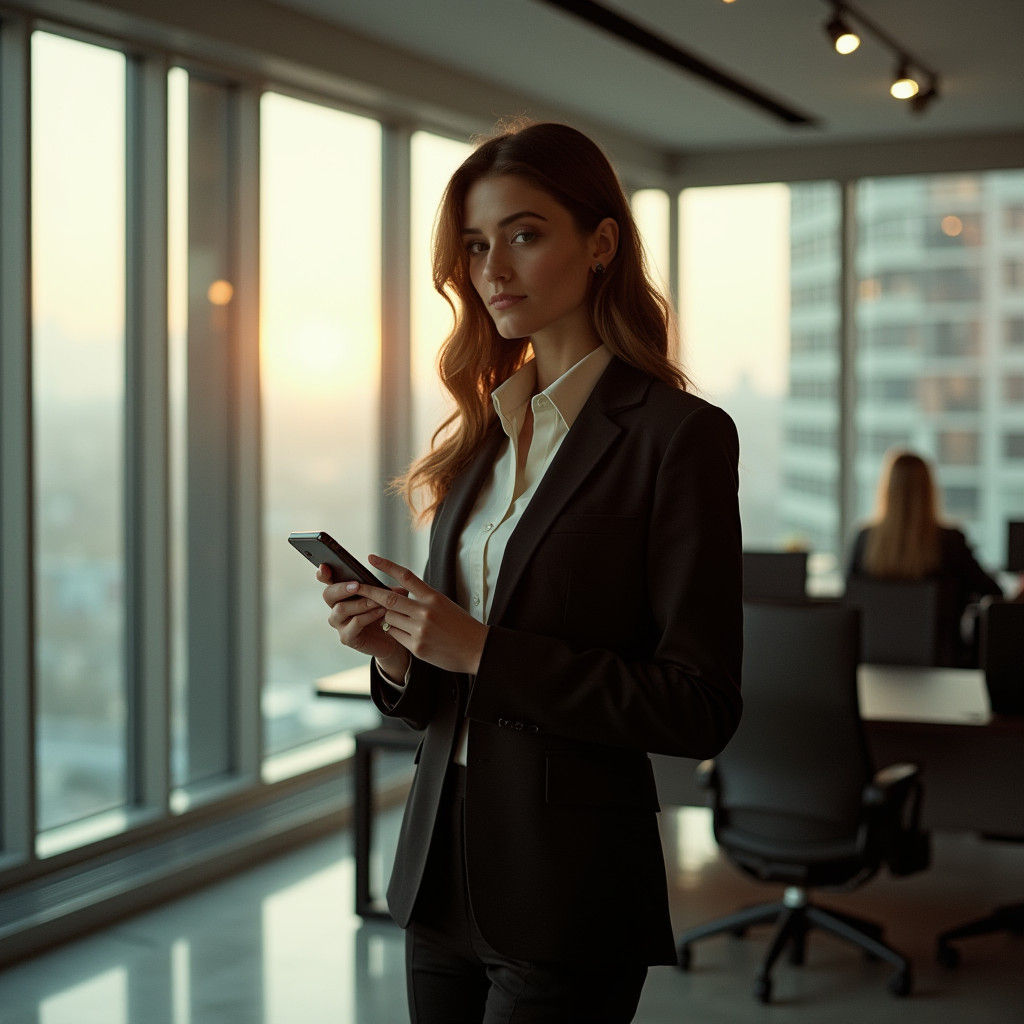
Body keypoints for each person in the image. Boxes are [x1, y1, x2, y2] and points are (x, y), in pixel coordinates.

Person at [317, 120, 742, 1023]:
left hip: (567, 888)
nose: (493, 269)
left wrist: (483, 652)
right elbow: (446, 686)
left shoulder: (679, 439)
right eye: (475, 245)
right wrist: (398, 655)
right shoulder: (480, 439)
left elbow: (698, 706)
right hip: (440, 867)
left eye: (524, 232)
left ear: (600, 244)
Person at [845, 450, 1003, 665]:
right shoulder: (950, 542)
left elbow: (850, 600)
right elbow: (992, 592)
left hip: (875, 667)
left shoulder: (865, 540)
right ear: (929, 490)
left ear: (887, 489)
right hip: (941, 669)